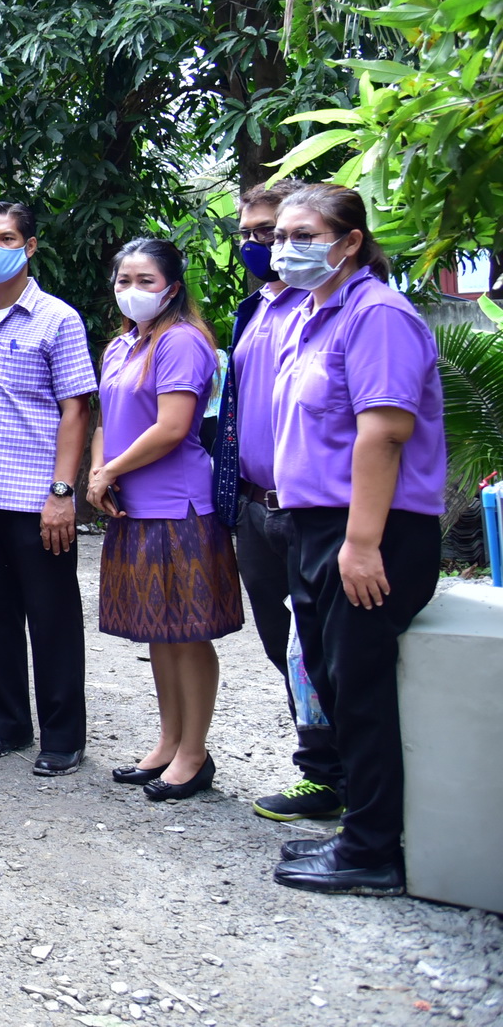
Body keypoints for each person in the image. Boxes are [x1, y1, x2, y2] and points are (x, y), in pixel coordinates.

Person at [266, 184, 446, 896]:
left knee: (362, 687)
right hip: (316, 527)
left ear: (349, 240)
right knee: (336, 681)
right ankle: (362, 830)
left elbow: (385, 430)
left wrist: (362, 542)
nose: (286, 245)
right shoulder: (312, 315)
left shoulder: (378, 315)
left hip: (369, 530)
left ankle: (374, 850)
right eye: (281, 232)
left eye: (304, 231)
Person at [87, 239, 243, 801]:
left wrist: (110, 473)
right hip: (131, 504)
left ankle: (194, 754)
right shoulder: (122, 346)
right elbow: (107, 417)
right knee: (158, 632)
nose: (132, 290)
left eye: (145, 280)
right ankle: (168, 741)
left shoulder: (181, 342)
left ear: (172, 287)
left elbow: (173, 426)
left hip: (179, 506)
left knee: (189, 633)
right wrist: (99, 471)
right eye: (124, 279)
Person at [0, 203, 96, 777]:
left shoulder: (58, 319)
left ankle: (63, 736)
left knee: (52, 614)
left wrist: (63, 492)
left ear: (29, 247)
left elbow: (75, 409)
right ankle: (6, 724)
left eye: (5, 238)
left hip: (37, 496)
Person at [210, 180, 338, 823]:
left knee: (325, 643)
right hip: (256, 505)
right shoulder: (254, 309)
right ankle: (320, 762)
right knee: (280, 640)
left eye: (278, 233)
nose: (265, 246)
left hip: (310, 506)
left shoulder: (324, 308)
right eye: (255, 234)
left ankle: (334, 775)